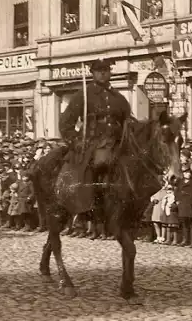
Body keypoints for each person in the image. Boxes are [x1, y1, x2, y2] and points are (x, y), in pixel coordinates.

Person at [58, 58, 135, 222]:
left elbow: (128, 120)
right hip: (91, 142)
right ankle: (85, 207)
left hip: (116, 141)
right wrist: (74, 141)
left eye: (106, 70)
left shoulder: (118, 98)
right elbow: (66, 123)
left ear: (110, 73)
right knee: (95, 164)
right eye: (99, 70)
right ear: (92, 73)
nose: (103, 73)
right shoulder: (83, 96)